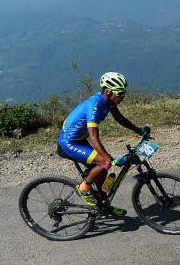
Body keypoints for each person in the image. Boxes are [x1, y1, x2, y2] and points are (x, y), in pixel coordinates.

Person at [56, 72, 149, 216]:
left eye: (124, 93)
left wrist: (138, 130)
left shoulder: (109, 102)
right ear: (107, 91)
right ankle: (84, 188)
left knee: (103, 170)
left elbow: (120, 118)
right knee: (104, 162)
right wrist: (107, 157)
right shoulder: (94, 105)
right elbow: (93, 136)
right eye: (119, 93)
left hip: (79, 140)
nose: (122, 97)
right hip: (68, 143)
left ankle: (103, 205)